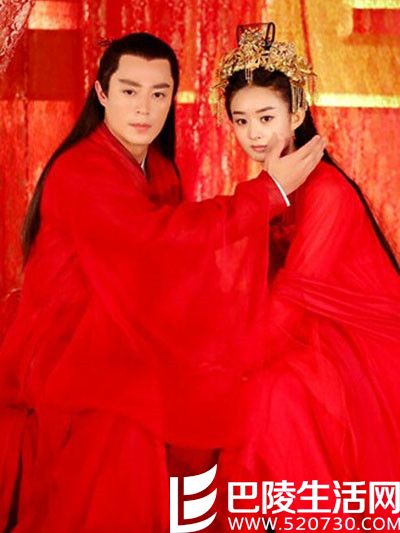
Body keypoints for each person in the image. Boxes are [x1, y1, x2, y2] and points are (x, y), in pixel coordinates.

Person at [0, 32, 324, 532]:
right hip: (74, 359)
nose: (144, 108)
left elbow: (179, 271)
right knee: (138, 426)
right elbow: (159, 242)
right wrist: (266, 194)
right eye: (129, 91)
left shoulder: (159, 169)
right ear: (102, 92)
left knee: (252, 382)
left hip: (127, 343)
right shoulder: (81, 171)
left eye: (159, 93)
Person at [213, 23, 400, 532]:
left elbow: (295, 294)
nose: (254, 134)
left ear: (296, 114)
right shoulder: (269, 186)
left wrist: (234, 362)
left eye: (266, 117)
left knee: (274, 396)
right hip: (297, 331)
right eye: (241, 120)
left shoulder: (327, 192)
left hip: (356, 344)